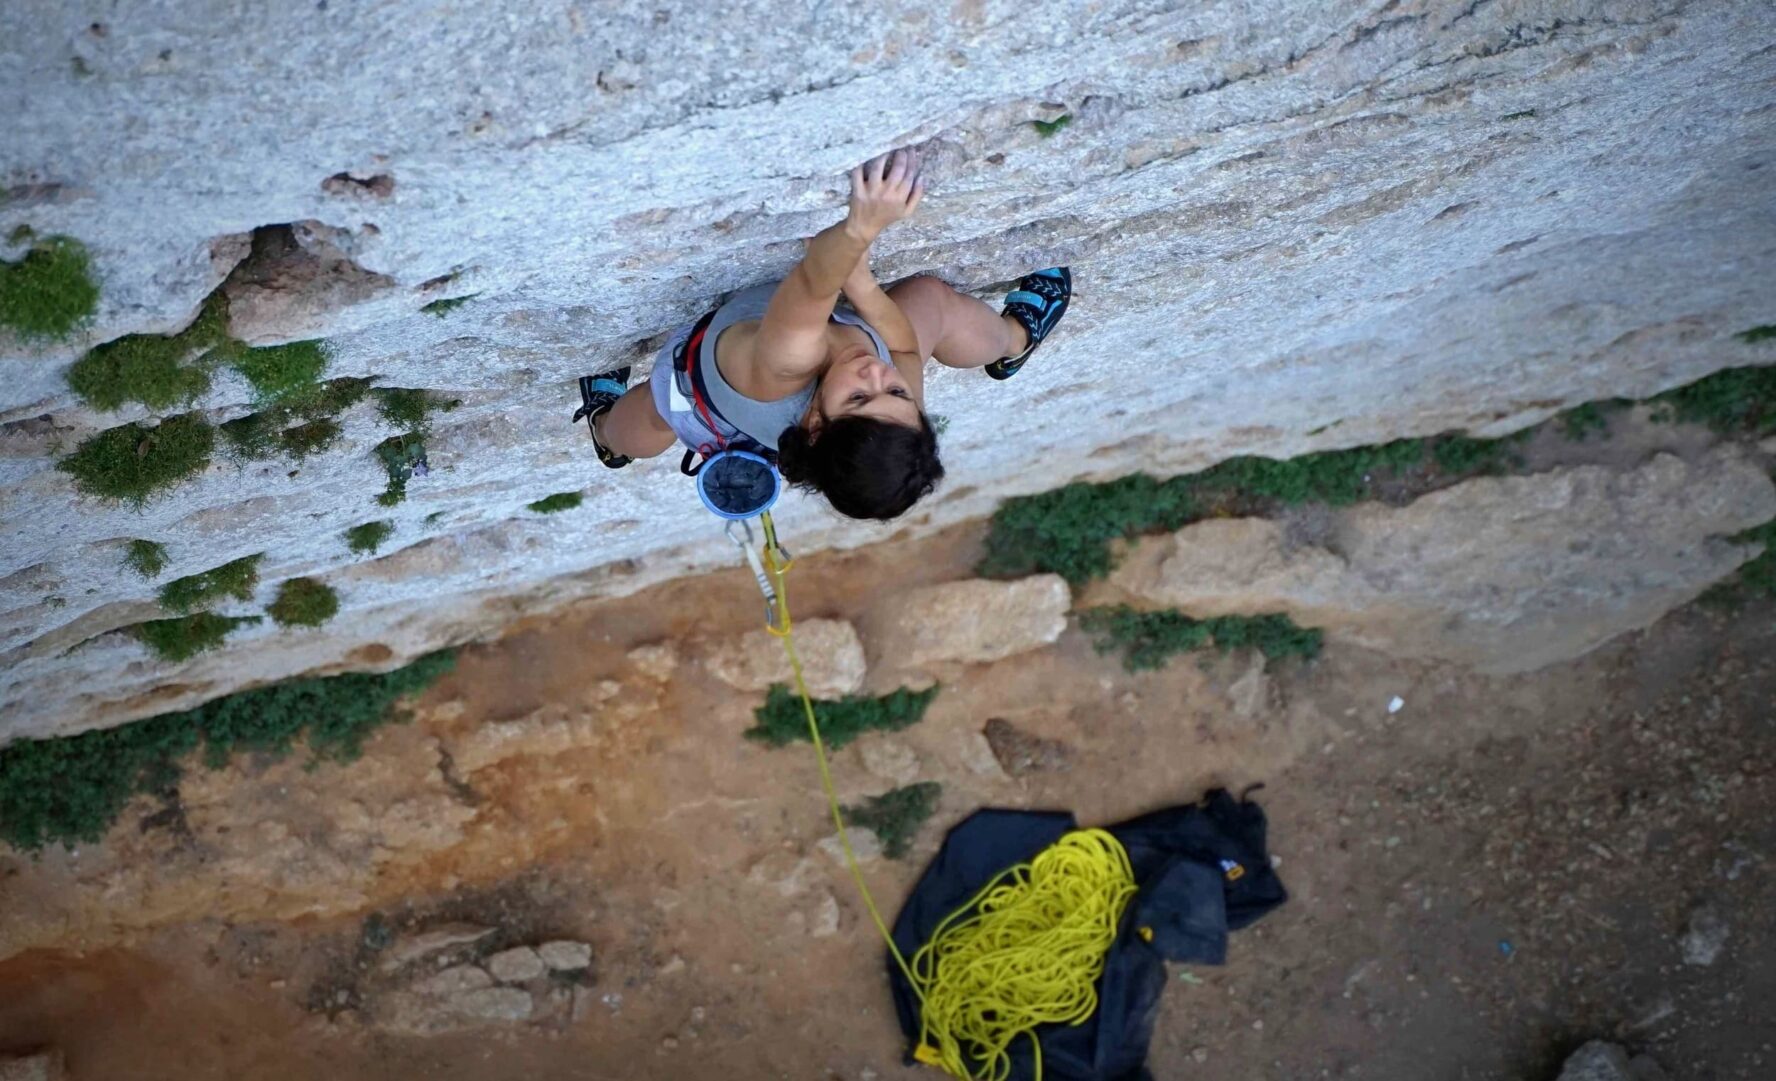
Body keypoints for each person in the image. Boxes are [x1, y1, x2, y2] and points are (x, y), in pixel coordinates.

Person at [575, 148, 1073, 521]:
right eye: (897, 392)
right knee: (930, 299)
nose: (878, 375)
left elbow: (814, 281)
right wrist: (863, 286)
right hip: (799, 376)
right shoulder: (896, 417)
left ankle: (604, 433)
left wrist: (860, 229)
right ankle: (1013, 341)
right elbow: (899, 347)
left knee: (648, 416)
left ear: (815, 425)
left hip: (695, 389)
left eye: (859, 397)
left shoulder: (786, 363)